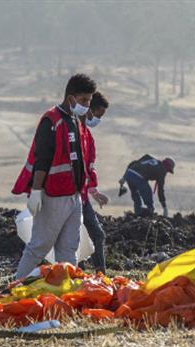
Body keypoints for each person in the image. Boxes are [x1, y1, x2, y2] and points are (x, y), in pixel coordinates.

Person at [12, 74, 97, 280]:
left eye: (89, 100)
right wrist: (36, 191)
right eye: (84, 100)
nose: (87, 105)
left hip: (73, 195)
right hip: (53, 195)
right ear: (71, 98)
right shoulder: (51, 121)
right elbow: (42, 159)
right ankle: (14, 286)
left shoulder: (75, 121)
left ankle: (64, 293)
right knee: (39, 246)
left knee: (69, 250)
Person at [81, 91, 110, 271]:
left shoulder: (87, 137)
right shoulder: (73, 132)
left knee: (97, 235)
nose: (97, 120)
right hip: (69, 195)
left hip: (82, 196)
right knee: (73, 238)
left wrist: (94, 192)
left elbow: (88, 168)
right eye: (97, 115)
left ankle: (101, 275)